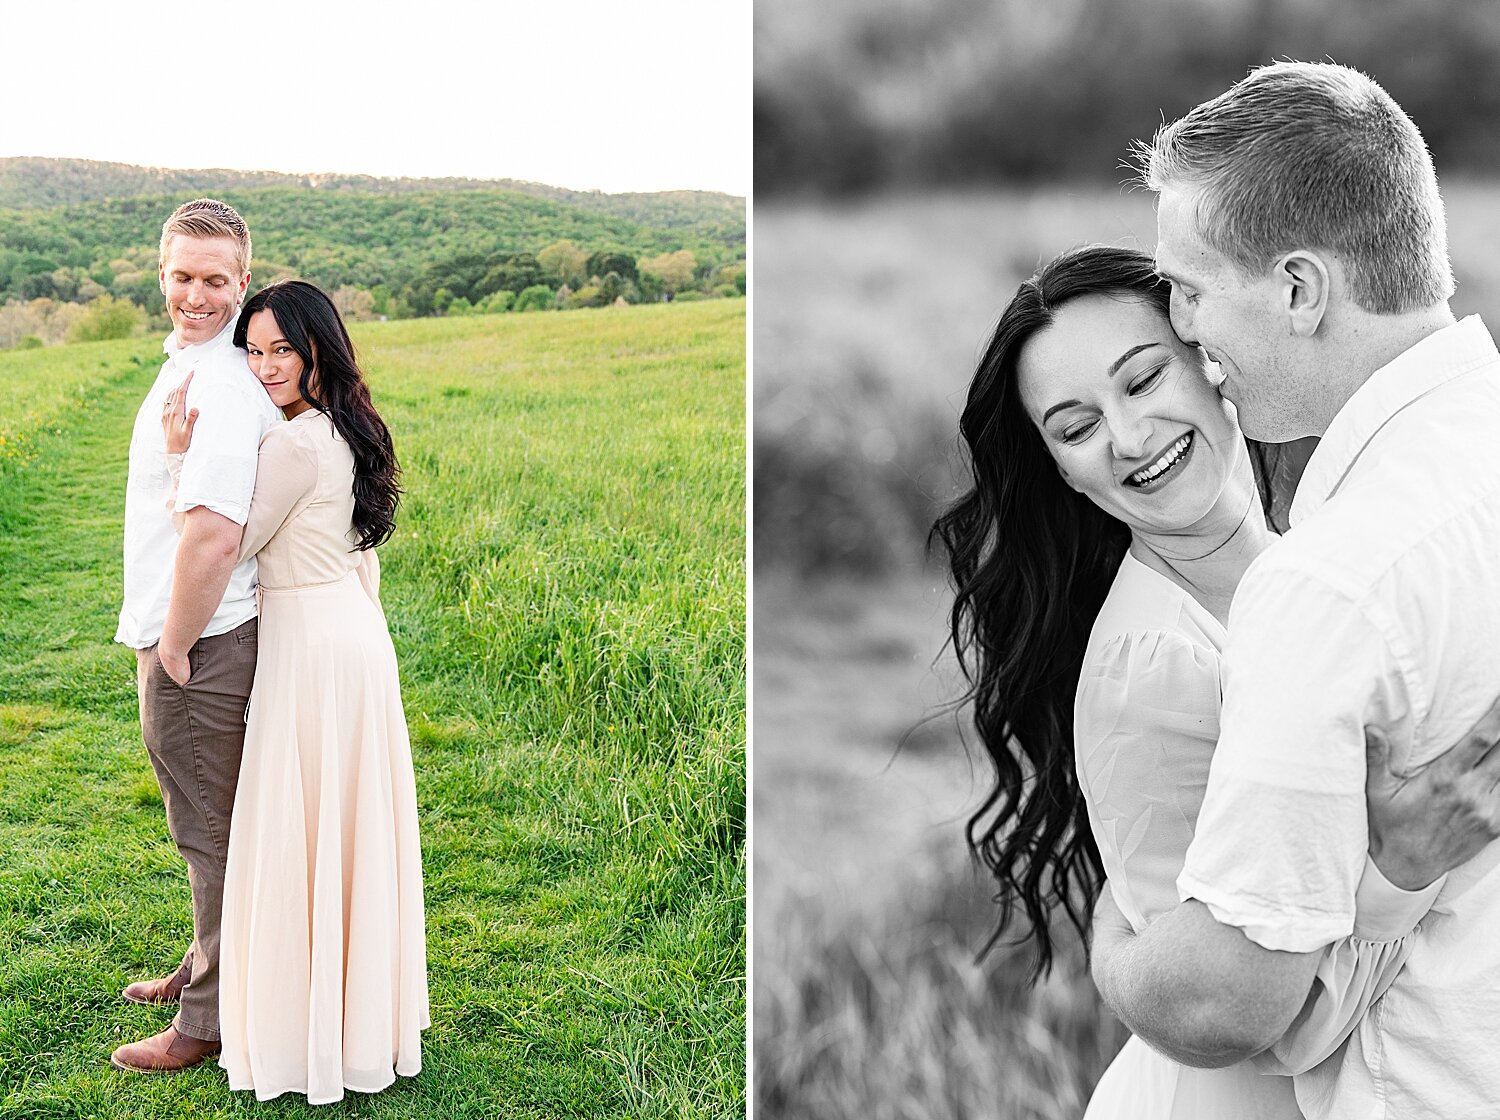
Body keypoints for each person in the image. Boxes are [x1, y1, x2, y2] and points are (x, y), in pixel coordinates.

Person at [934, 243, 1500, 1118]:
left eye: (1143, 379)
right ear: (1063, 473)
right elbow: (1256, 1021)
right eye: (1076, 428)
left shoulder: (1312, 556)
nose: (1128, 437)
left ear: (1210, 355)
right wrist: (1400, 870)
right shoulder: (1148, 667)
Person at [1083, 62, 1500, 1119]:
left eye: (1190, 285)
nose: (1180, 325)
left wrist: (1115, 954)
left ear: (1300, 289)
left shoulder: (1329, 581)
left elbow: (1225, 1002)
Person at [159, 279, 429, 1103]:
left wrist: (181, 463)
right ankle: (347, 1017)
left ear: (319, 348)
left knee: (299, 826)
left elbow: (227, 543)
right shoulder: (346, 429)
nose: (267, 365)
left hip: (311, 646)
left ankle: (300, 1026)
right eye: (255, 349)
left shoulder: (291, 445)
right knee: (344, 825)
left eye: (283, 348)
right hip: (352, 633)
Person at [111, 198, 283, 1073]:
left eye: (217, 280)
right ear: (163, 274)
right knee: (201, 821)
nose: (198, 295)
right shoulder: (193, 363)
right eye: (183, 277)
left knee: (209, 831)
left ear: (243, 282)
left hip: (201, 643)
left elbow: (214, 533)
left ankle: (206, 1022)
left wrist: (173, 644)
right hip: (194, 632)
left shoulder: (218, 380)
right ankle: (199, 966)